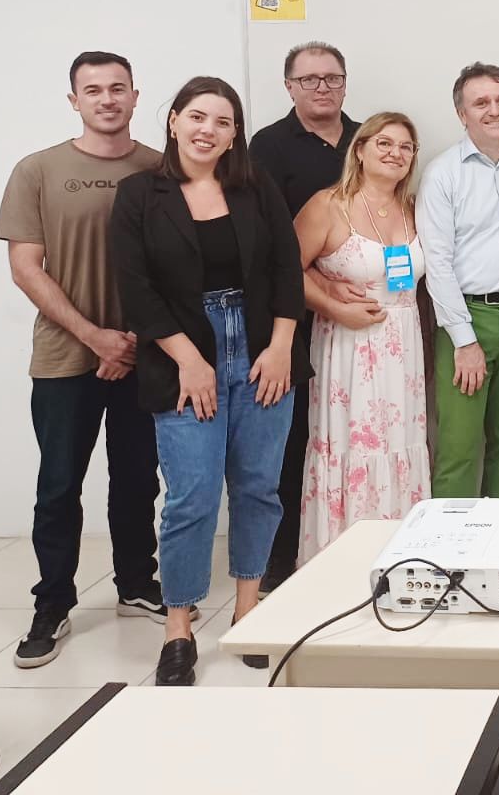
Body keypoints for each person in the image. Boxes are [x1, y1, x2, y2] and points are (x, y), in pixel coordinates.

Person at [111, 76, 309, 686]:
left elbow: (286, 268)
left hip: (261, 350)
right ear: (173, 120)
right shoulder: (140, 193)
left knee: (258, 487)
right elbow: (135, 287)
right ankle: (179, 627)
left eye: (222, 122)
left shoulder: (255, 187)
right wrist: (187, 360)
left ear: (234, 134)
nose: (208, 130)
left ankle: (248, 610)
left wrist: (281, 346)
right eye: (197, 117)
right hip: (181, 352)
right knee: (191, 495)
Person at [0, 51, 172, 669]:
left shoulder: (160, 168)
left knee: (137, 478)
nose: (107, 99)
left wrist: (131, 340)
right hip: (65, 356)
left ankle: (136, 584)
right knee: (59, 484)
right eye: (93, 90)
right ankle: (52, 602)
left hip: (144, 354)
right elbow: (25, 267)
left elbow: (174, 266)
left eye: (118, 88)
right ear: (74, 101)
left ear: (135, 96)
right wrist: (96, 337)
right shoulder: (38, 170)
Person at [248, 41, 360, 591]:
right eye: (309, 79)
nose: (322, 87)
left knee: (353, 434)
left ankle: (348, 541)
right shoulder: (267, 146)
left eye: (332, 77)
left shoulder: (367, 139)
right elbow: (268, 241)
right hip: (293, 316)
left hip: (363, 320)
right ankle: (280, 559)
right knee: (292, 440)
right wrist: (321, 286)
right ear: (289, 86)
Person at [294, 113, 431, 561]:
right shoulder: (328, 206)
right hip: (348, 350)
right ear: (360, 149)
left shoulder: (415, 209)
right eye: (384, 143)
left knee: (400, 445)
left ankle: (399, 556)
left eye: (406, 146)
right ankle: (341, 559)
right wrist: (333, 303)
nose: (395, 153)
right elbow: (285, 270)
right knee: (355, 447)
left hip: (403, 347)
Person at [422, 63, 499, 499]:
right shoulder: (442, 173)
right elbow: (437, 262)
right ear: (462, 113)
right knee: (459, 445)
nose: (494, 110)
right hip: (469, 316)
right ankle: (448, 537)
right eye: (481, 103)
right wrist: (464, 341)